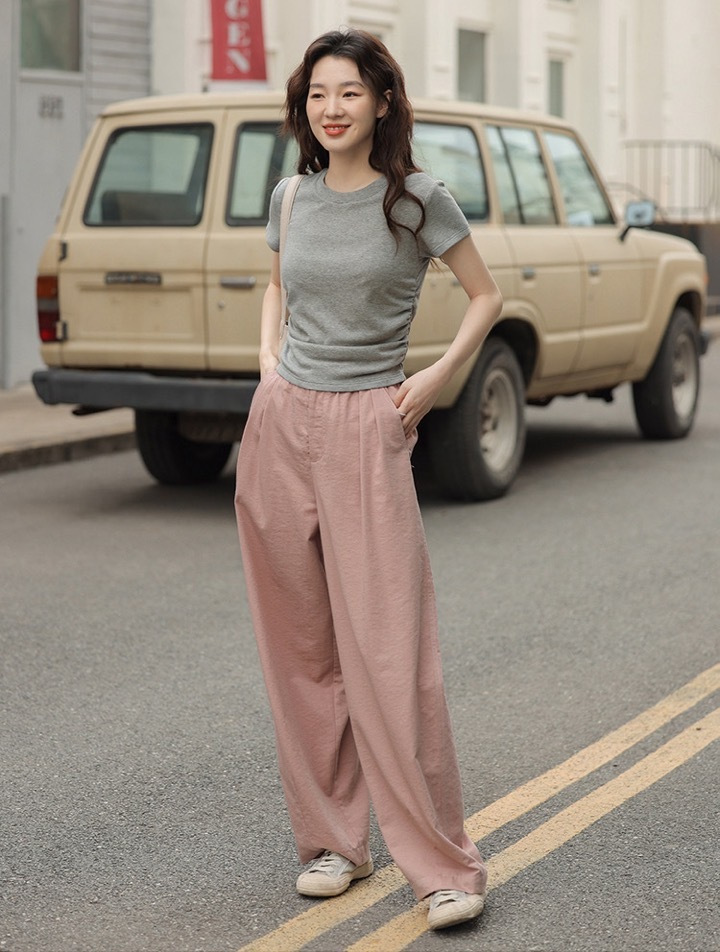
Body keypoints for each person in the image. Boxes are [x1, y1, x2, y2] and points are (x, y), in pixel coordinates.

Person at [234, 28, 502, 931]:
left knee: (391, 658)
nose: (332, 108)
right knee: (300, 651)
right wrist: (267, 361)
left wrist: (437, 378)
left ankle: (443, 866)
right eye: (317, 94)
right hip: (281, 426)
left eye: (349, 91)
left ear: (383, 101)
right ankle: (333, 844)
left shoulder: (417, 198)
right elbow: (276, 286)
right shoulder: (291, 196)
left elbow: (487, 295)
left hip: (367, 424)